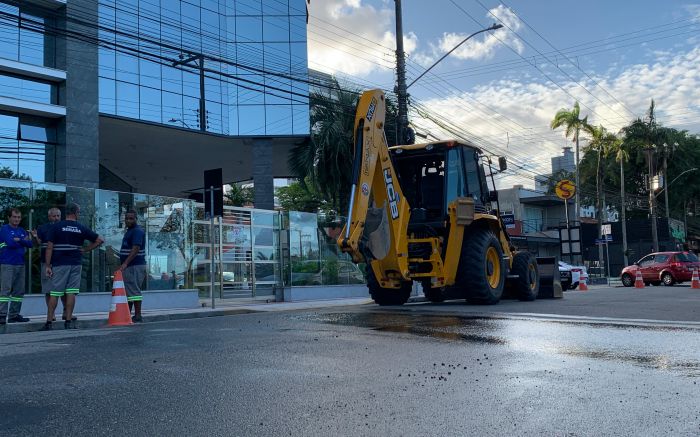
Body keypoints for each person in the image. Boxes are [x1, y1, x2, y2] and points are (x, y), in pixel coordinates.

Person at [41, 203, 103, 330]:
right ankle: (68, 322)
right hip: (75, 263)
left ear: (66, 213)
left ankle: (49, 323)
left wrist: (47, 265)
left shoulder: (57, 226)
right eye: (79, 212)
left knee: (55, 293)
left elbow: (49, 247)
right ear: (75, 213)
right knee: (71, 292)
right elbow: (99, 240)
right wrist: (85, 250)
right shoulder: (81, 227)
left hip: (59, 264)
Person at [32, 207, 74, 321]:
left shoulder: (65, 227)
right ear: (49, 216)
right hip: (47, 264)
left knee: (65, 290)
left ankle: (66, 312)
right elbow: (37, 244)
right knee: (48, 289)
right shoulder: (42, 228)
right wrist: (35, 237)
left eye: (58, 216)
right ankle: (52, 314)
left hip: (62, 263)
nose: (56, 218)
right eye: (53, 216)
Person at [0, 208, 32, 324]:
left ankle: (14, 315)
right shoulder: (4, 229)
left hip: (20, 263)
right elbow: (10, 242)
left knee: (19, 292)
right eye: (14, 217)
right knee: (5, 290)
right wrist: (22, 240)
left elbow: (30, 244)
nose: (17, 219)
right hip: (7, 263)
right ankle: (1, 315)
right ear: (9, 217)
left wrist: (20, 240)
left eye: (18, 217)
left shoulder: (22, 230)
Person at [118, 210, 146, 323]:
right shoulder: (129, 231)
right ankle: (128, 313)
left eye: (131, 218)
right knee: (129, 290)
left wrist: (125, 263)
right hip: (130, 266)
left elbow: (135, 249)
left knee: (134, 290)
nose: (128, 220)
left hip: (134, 265)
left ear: (136, 219)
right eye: (127, 218)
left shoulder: (137, 231)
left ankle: (138, 315)